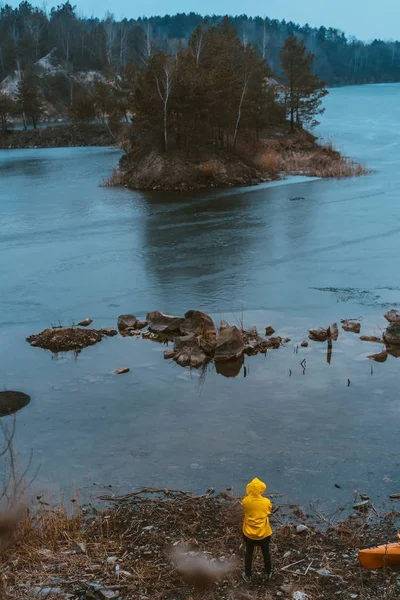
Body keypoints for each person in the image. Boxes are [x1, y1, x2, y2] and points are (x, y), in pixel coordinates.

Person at [241, 477, 272, 582]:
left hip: (249, 533)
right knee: (266, 552)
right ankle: (268, 573)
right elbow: (269, 511)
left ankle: (247, 575)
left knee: (249, 553)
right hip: (264, 533)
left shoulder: (246, 501)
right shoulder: (266, 502)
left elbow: (245, 509)